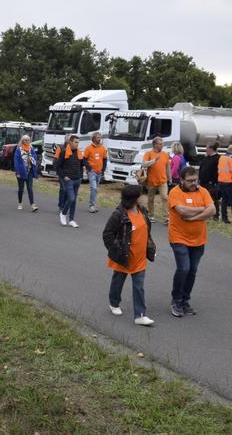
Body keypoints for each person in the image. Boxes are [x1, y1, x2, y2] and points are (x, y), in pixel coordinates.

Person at [102, 184, 154, 326]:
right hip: (123, 257)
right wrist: (116, 250)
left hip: (139, 258)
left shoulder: (142, 211)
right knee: (118, 281)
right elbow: (107, 235)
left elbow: (146, 231)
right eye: (141, 195)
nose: (143, 198)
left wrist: (150, 245)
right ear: (135, 199)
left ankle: (140, 315)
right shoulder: (118, 215)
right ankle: (114, 303)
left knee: (139, 286)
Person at [168, 166, 216, 317]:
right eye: (189, 181)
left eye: (195, 180)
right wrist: (202, 209)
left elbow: (213, 210)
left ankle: (184, 300)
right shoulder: (175, 192)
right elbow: (181, 211)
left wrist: (193, 217)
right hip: (178, 237)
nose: (193, 183)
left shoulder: (203, 191)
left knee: (192, 271)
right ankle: (176, 300)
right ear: (181, 180)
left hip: (198, 239)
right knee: (184, 268)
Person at [56, 135, 85, 228]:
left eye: (78, 142)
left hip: (77, 179)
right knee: (71, 198)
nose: (77, 144)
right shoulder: (64, 152)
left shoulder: (78, 152)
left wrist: (81, 176)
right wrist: (64, 176)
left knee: (74, 201)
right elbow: (58, 166)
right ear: (70, 142)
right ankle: (63, 213)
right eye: (76, 142)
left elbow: (81, 165)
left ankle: (71, 220)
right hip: (69, 180)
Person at [141, 137, 171, 222]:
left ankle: (167, 217)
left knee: (165, 197)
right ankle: (151, 215)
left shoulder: (165, 154)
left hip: (163, 180)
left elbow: (168, 166)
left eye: (162, 144)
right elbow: (144, 164)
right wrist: (154, 160)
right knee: (151, 198)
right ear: (155, 144)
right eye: (160, 144)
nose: (162, 145)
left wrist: (170, 177)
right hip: (151, 181)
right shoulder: (148, 153)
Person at [13, 135, 39, 212]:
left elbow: (35, 158)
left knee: (30, 188)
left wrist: (32, 158)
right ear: (22, 141)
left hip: (29, 171)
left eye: (28, 140)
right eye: (25, 140)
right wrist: (17, 172)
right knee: (21, 189)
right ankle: (20, 203)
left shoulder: (31, 149)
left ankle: (32, 204)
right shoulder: (18, 149)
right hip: (21, 172)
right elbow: (16, 161)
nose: (27, 141)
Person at [83, 132, 107, 213]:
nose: (99, 139)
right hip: (92, 171)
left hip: (99, 172)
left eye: (100, 137)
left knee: (95, 189)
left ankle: (93, 204)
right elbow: (84, 159)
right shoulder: (88, 148)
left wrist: (103, 170)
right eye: (97, 137)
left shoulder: (103, 148)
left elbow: (105, 159)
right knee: (93, 188)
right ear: (93, 138)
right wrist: (89, 168)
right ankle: (91, 206)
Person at [199, 142, 221, 220]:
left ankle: (216, 215)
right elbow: (201, 168)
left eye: (207, 148)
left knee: (213, 199)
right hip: (203, 182)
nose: (206, 149)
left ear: (211, 149)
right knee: (202, 199)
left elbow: (219, 171)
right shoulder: (205, 158)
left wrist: (215, 181)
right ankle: (204, 214)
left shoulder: (218, 158)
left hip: (212, 183)